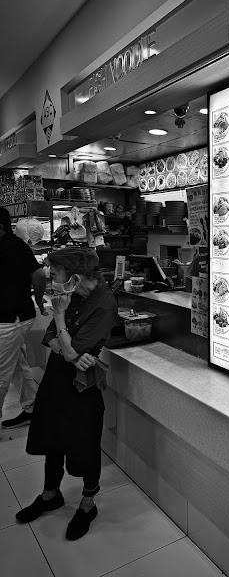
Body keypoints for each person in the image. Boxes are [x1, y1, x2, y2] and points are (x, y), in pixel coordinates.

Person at [16, 247, 117, 541]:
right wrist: (70, 353)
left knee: (84, 441)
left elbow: (70, 344)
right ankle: (50, 494)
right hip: (58, 375)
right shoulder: (72, 293)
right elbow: (51, 338)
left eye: (55, 274)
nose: (51, 279)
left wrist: (61, 321)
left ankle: (88, 504)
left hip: (81, 385)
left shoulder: (103, 305)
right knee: (50, 435)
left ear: (74, 277)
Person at [0, 207, 46, 430]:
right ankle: (32, 407)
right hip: (11, 317)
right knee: (17, 363)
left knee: (1, 373)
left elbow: (39, 274)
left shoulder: (15, 247)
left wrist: (38, 301)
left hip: (13, 319)